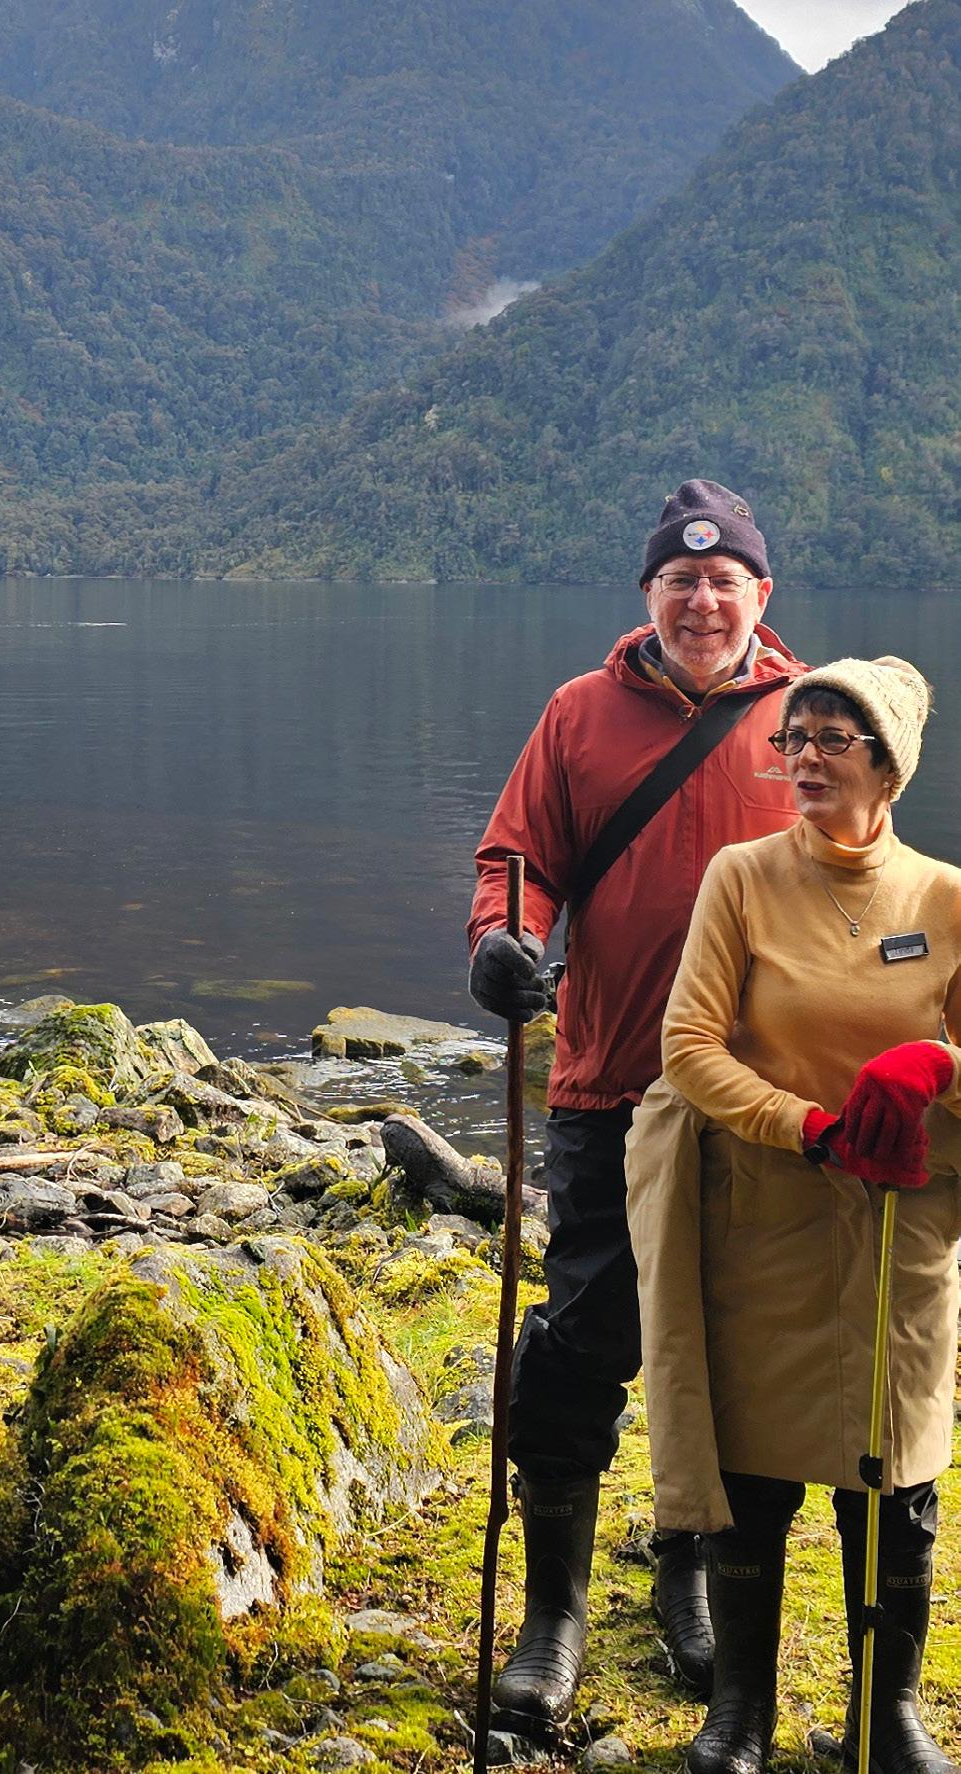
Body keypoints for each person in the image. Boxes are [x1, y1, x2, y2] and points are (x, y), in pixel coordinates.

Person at [469, 480, 806, 1736]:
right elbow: (519, 859)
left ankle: (692, 1571)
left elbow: (865, 877)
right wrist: (504, 941)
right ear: (648, 593)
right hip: (611, 1079)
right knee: (587, 1330)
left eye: (724, 580)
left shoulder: (810, 717)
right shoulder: (579, 713)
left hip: (763, 1098)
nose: (702, 599)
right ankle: (552, 1612)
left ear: (761, 594)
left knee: (736, 1346)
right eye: (680, 579)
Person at [629, 658, 961, 1774]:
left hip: (898, 1222)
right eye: (793, 737)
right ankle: (741, 1712)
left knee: (896, 1464)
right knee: (754, 1466)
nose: (804, 758)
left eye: (831, 738)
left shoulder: (947, 897)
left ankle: (885, 1715)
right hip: (763, 1209)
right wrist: (808, 1125)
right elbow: (688, 1046)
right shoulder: (743, 877)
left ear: (889, 766)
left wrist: (938, 1066)